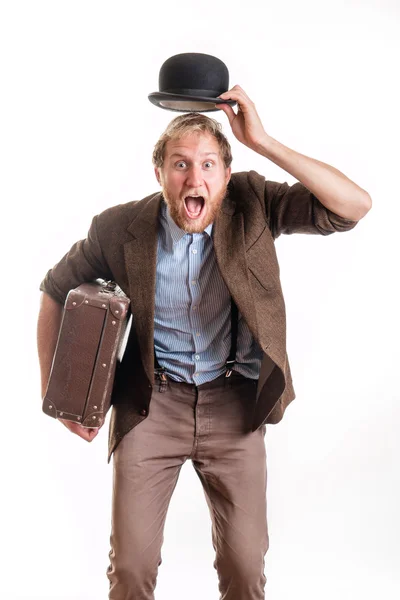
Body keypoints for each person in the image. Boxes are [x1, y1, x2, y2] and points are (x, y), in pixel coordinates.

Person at [37, 85, 371, 600]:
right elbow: (55, 289)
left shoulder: (253, 203)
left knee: (244, 566)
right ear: (159, 173)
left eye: (209, 164)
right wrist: (56, 396)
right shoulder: (119, 227)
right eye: (181, 164)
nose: (196, 177)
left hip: (234, 404)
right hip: (152, 406)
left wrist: (264, 142)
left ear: (226, 173)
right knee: (130, 567)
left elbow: (354, 205)